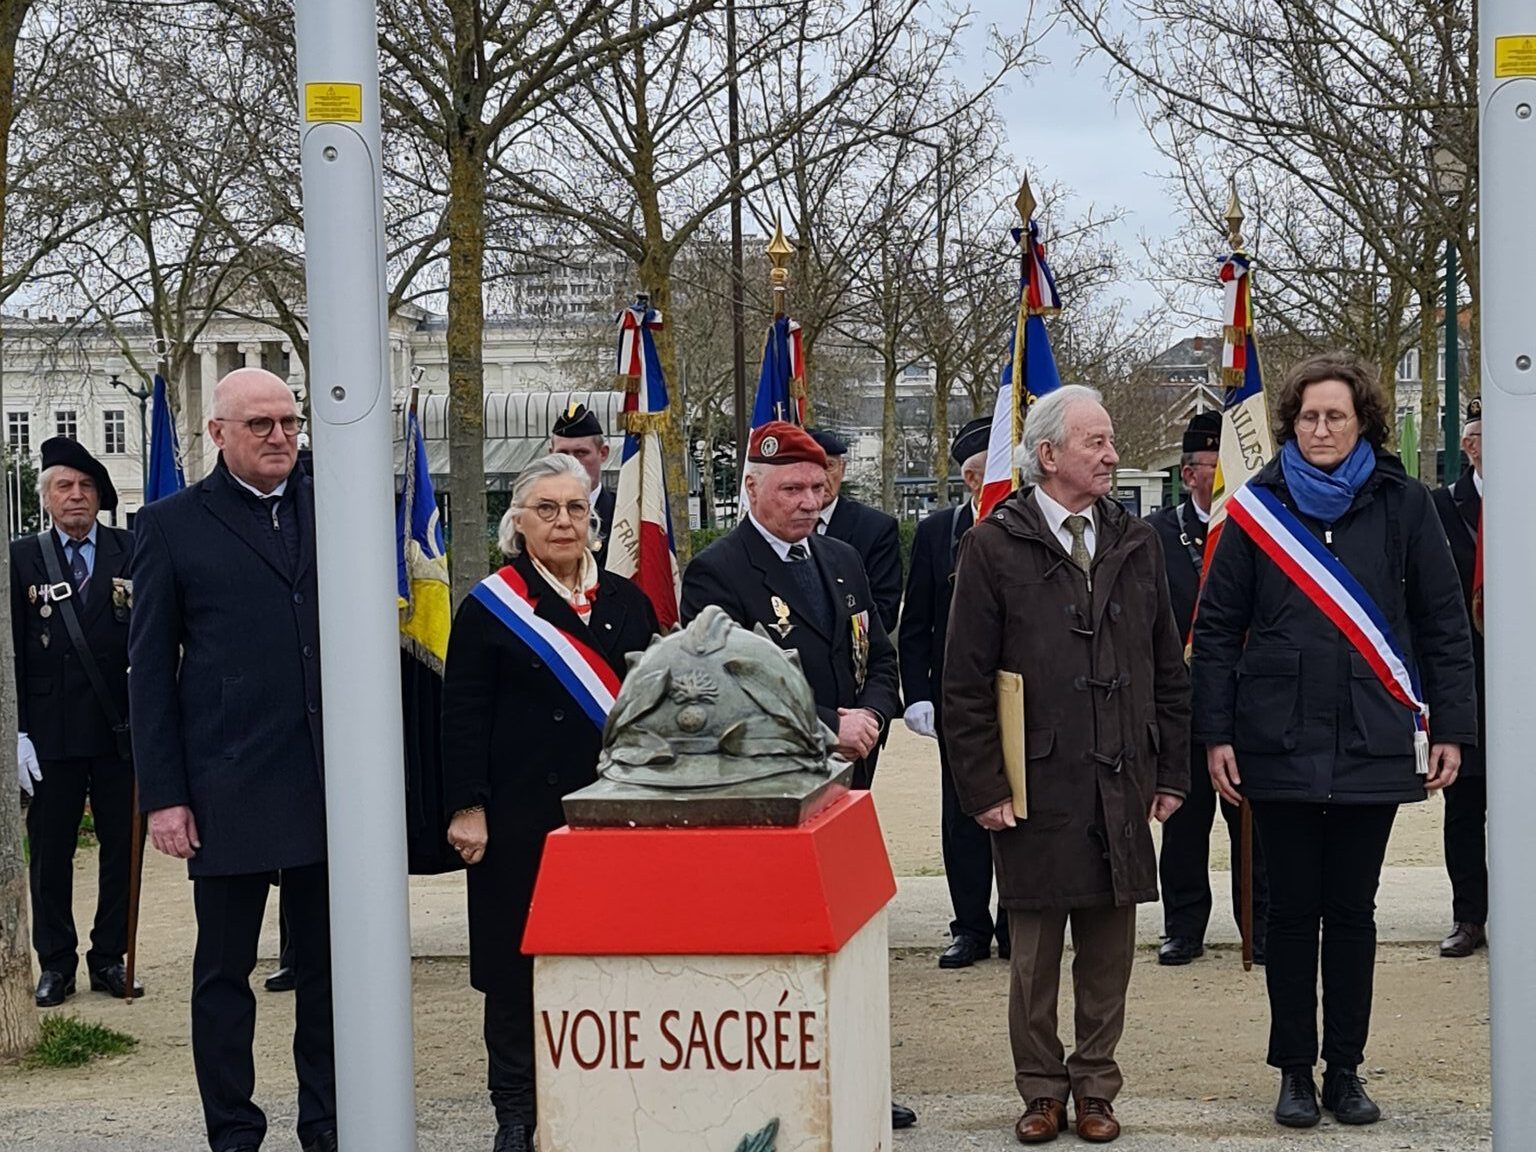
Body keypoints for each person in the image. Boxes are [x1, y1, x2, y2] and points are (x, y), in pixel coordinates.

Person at [1192, 352, 1476, 1129]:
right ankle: (1292, 1069)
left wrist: (1451, 726)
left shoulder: (1405, 503)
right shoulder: (1256, 507)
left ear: (1363, 424)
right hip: (1275, 741)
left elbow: (1443, 624)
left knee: (1352, 911)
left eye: (1336, 417)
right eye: (1310, 417)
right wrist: (1214, 732)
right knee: (1288, 915)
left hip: (1372, 736)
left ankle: (1345, 1069)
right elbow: (1215, 632)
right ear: (1292, 423)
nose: (1321, 429)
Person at [943, 384, 1190, 1145]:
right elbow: (963, 682)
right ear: (1048, 455)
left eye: (1110, 441)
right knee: (1034, 959)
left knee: (1109, 954)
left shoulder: (1136, 539)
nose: (1113, 456)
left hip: (1120, 777)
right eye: (1097, 443)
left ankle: (1096, 1089)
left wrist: (1171, 770)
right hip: (1033, 787)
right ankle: (1041, 1090)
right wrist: (984, 788)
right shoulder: (993, 542)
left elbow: (1167, 666)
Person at [680, 421, 914, 1132]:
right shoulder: (719, 570)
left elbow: (878, 654)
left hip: (848, 782)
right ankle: (778, 1090)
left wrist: (870, 716)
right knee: (777, 941)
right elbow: (727, 680)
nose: (810, 500)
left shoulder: (842, 558)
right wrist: (826, 725)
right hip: (770, 788)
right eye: (792, 488)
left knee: (848, 936)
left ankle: (856, 1075)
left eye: (819, 486)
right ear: (752, 488)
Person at [131, 368, 336, 1152]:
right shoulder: (172, 524)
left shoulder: (336, 506)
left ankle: (327, 1123)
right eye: (261, 424)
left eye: (289, 420)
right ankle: (234, 1132)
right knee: (224, 976)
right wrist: (166, 795)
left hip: (327, 779)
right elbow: (149, 671)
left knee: (325, 973)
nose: (281, 436)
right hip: (227, 782)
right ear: (217, 433)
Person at [441, 454, 658, 1152]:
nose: (563, 521)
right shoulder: (491, 604)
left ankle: (606, 1097)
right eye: (547, 509)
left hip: (613, 816)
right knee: (515, 970)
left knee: (611, 957)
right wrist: (466, 807)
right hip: (520, 817)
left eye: (575, 509)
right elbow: (462, 714)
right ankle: (516, 1110)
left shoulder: (631, 603)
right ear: (519, 523)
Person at [13, 436, 141, 1005]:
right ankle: (56, 963)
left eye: (86, 486)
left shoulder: (130, 549)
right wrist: (14, 732)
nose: (76, 497)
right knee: (51, 851)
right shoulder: (21, 558)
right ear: (46, 497)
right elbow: (10, 649)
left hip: (120, 726)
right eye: (64, 486)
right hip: (51, 731)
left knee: (122, 847)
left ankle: (110, 956)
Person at [1148, 411, 1269, 966]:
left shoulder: (1260, 528)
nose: (1221, 476)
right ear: (1189, 472)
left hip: (1248, 702)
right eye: (1210, 465)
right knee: (1184, 826)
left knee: (1256, 826)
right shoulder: (1156, 536)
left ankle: (1260, 926)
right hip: (1181, 702)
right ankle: (1184, 927)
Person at [898, 416, 1009, 969]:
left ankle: (1018, 921)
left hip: (1022, 698)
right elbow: (916, 622)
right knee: (963, 814)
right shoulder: (937, 532)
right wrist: (916, 691)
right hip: (959, 698)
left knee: (1025, 813)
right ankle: (970, 926)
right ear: (971, 480)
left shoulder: (1026, 526)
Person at [1430, 396, 1487, 958]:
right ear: (1469, 446)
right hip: (1467, 680)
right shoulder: (1443, 508)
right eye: (1483, 436)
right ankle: (1469, 915)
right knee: (1465, 806)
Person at [806, 428, 901, 632]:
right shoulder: (780, 528)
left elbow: (885, 611)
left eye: (829, 466)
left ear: (842, 469)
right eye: (812, 466)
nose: (821, 477)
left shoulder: (875, 528)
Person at [549, 402, 615, 567]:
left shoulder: (623, 515)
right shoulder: (531, 518)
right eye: (562, 453)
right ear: (550, 455)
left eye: (581, 453)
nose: (572, 462)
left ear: (603, 453)